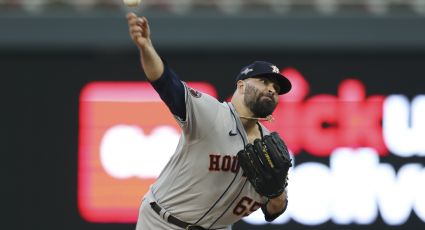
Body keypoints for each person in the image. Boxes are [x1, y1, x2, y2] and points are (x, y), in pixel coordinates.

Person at [126, 12, 292, 230]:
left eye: (277, 89)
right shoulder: (210, 113)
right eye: (264, 81)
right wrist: (146, 48)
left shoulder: (272, 148)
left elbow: (275, 210)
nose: (271, 89)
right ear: (241, 85)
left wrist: (276, 190)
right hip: (162, 222)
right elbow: (166, 82)